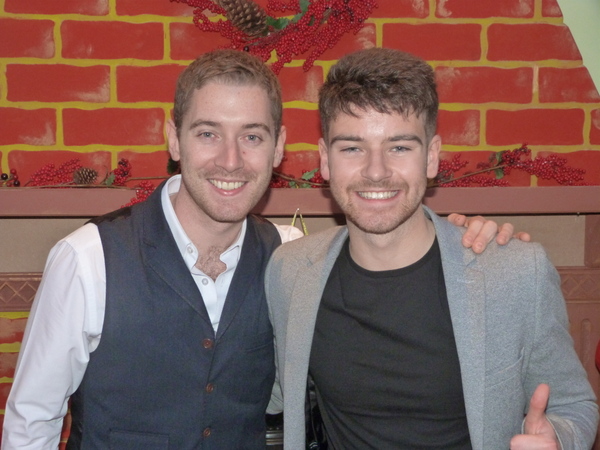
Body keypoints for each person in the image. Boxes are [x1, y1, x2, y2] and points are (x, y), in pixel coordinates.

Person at [2, 49, 519, 449]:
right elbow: (31, 423)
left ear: (278, 148)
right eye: (208, 133)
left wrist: (467, 237)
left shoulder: (289, 259)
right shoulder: (88, 259)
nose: (231, 160)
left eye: (252, 137)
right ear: (174, 140)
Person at [265, 48, 599, 450]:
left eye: (400, 147)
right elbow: (264, 391)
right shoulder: (290, 271)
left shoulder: (514, 272)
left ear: (432, 157)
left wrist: (559, 439)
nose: (376, 171)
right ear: (325, 160)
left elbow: (573, 404)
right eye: (352, 148)